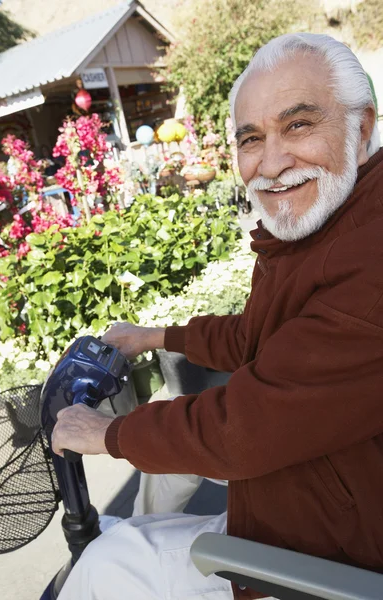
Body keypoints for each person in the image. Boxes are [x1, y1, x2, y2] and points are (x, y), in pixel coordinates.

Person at [52, 32, 383, 600]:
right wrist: (155, 334)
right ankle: (155, 541)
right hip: (315, 472)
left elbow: (245, 430)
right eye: (252, 138)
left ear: (363, 129)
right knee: (164, 457)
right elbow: (258, 339)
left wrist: (108, 434)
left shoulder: (368, 265)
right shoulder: (326, 226)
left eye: (299, 124)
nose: (273, 162)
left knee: (103, 564)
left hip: (327, 551)